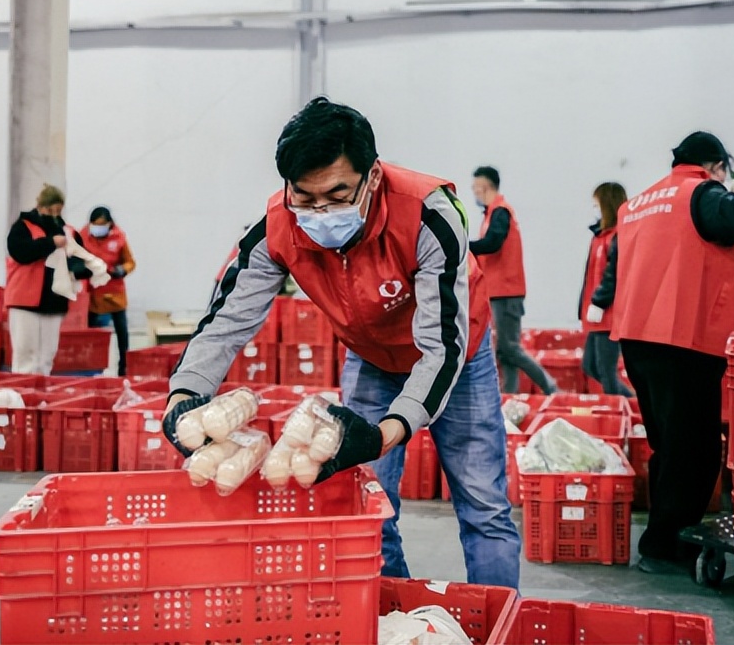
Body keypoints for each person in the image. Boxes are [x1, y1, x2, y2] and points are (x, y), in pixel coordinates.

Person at [166, 97, 520, 588]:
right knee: (368, 505)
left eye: (336, 195)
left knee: (483, 505)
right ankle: (393, 616)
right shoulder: (278, 227)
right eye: (304, 197)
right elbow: (227, 319)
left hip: (456, 358)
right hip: (372, 357)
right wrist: (184, 394)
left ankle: (496, 614)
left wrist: (388, 430)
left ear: (372, 177)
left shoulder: (428, 214)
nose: (320, 212)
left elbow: (442, 346)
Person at [612, 131, 734, 574]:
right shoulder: (700, 192)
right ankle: (664, 546)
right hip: (683, 341)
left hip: (639, 338)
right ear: (716, 166)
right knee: (696, 452)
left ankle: (663, 538)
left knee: (669, 445)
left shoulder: (640, 204)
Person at [469, 167, 558, 395]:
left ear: (484, 186)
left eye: (475, 187)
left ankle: (550, 387)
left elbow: (493, 243)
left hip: (506, 293)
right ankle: (509, 395)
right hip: (497, 292)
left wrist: (464, 246)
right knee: (503, 351)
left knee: (509, 347)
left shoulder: (501, 212)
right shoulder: (491, 214)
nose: (474, 192)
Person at [6, 184, 88, 375]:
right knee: (26, 354)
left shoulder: (68, 232)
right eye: (51, 210)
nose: (54, 215)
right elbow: (20, 252)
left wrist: (76, 270)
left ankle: (43, 388)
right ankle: (23, 388)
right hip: (25, 300)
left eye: (58, 210)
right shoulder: (23, 227)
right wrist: (50, 243)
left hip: (54, 301)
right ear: (41, 206)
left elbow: (83, 262)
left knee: (46, 356)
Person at [578, 183, 633, 397]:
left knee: (607, 373)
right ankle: (633, 403)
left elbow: (613, 275)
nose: (595, 209)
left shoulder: (619, 236)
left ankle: (631, 407)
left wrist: (600, 302)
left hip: (609, 315)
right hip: (595, 315)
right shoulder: (599, 236)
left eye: (597, 205)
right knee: (590, 366)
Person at [79, 207, 136, 376]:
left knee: (122, 333)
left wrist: (122, 270)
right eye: (95, 224)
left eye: (102, 224)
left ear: (109, 224)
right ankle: (91, 368)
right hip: (92, 294)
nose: (98, 228)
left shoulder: (119, 238)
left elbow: (130, 262)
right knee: (91, 334)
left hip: (114, 292)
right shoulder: (83, 237)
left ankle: (123, 368)